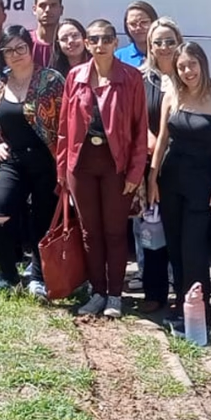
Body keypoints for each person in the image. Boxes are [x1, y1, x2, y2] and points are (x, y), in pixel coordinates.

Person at [57, 19, 148, 318]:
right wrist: (62, 171)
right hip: (81, 166)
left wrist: (135, 173)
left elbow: (139, 129)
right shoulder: (75, 76)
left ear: (114, 42)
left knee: (114, 233)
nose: (100, 44)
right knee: (89, 232)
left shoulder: (131, 78)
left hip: (116, 166)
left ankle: (114, 295)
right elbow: (64, 129)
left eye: (107, 38)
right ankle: (97, 291)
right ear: (86, 42)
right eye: (94, 39)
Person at [148, 42, 211, 328]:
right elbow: (162, 140)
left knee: (194, 248)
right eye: (182, 67)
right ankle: (180, 302)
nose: (187, 71)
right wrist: (151, 178)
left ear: (202, 63)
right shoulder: (172, 95)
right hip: (170, 179)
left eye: (192, 65)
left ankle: (200, 308)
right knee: (173, 245)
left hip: (202, 183)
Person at [0, 26, 65, 298]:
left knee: (43, 222)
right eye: (9, 50)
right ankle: (7, 276)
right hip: (13, 161)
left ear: (30, 48)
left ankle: (38, 277)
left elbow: (68, 124)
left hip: (46, 161)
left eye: (20, 48)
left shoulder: (51, 80)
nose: (15, 55)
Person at [130, 16, 180, 312]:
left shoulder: (188, 72)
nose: (163, 47)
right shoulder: (139, 78)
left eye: (169, 41)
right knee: (151, 231)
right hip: (150, 166)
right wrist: (151, 141)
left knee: (179, 230)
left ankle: (183, 291)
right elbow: (132, 119)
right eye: (157, 42)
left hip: (182, 163)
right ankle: (154, 291)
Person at [30, 0, 65, 68]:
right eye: (42, 5)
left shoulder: (70, 44)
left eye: (53, 5)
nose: (48, 10)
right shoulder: (24, 42)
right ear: (34, 10)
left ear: (61, 10)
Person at [115, 1, 158, 68]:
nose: (138, 28)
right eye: (133, 24)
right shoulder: (119, 57)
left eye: (144, 22)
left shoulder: (164, 53)